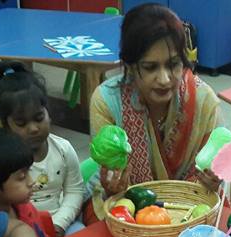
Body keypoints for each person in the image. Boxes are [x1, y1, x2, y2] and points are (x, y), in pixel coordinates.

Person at [87, 3, 222, 222]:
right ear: (130, 66)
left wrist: (214, 179)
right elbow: (112, 181)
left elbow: (214, 178)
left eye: (174, 64)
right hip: (126, 208)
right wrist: (113, 186)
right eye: (150, 67)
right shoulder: (107, 102)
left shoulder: (203, 101)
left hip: (190, 208)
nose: (165, 79)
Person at [0, 61, 84, 237]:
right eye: (21, 123)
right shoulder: (0, 161)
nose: (33, 128)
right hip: (18, 230)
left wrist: (59, 224)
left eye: (39, 118)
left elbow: (75, 191)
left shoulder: (63, 149)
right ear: (2, 123)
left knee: (81, 235)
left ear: (48, 112)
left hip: (59, 223)